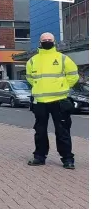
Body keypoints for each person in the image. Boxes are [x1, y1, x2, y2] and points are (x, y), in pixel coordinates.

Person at [26, 32, 79, 169]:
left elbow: (73, 76)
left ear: (54, 41)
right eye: (44, 40)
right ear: (40, 42)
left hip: (59, 100)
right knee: (40, 131)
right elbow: (30, 78)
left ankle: (68, 159)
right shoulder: (32, 61)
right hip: (40, 101)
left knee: (62, 131)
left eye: (49, 39)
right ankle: (39, 157)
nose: (47, 41)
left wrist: (64, 86)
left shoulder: (63, 59)